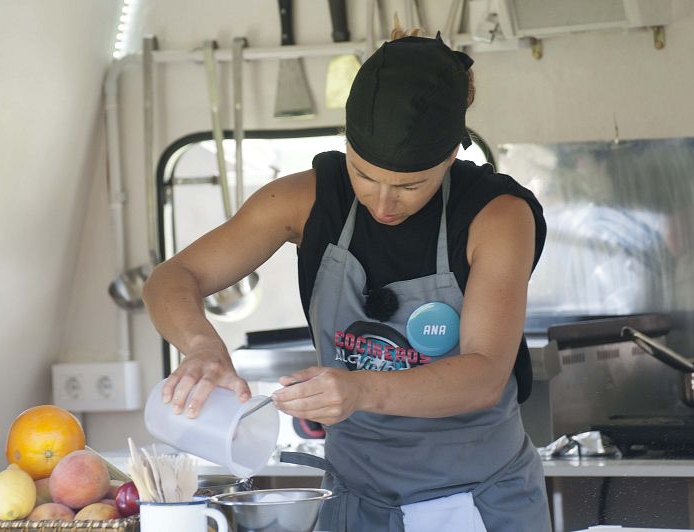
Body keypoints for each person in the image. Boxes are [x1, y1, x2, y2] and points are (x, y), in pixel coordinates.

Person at [143, 24, 550, 532]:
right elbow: (173, 276)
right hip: (355, 503)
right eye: (363, 174)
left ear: (451, 156)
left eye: (410, 185)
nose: (383, 203)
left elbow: (485, 375)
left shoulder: (498, 216)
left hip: (479, 503)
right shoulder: (305, 199)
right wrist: (202, 346)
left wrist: (360, 390)